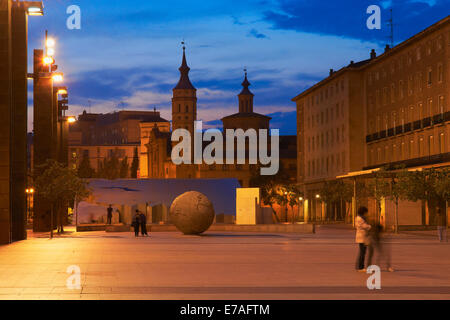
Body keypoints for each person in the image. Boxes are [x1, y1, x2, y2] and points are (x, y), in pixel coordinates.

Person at [355, 206, 371, 272]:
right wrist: (369, 226)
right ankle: (360, 267)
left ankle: (359, 266)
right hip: (362, 237)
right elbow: (364, 226)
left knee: (362, 252)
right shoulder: (360, 218)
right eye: (365, 212)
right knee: (362, 252)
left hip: (362, 237)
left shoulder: (359, 217)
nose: (366, 214)